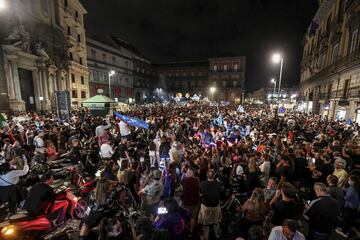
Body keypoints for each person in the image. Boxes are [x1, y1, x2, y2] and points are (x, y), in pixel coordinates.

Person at [198, 169, 222, 240]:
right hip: (215, 206)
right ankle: (217, 235)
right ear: (214, 176)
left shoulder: (202, 184)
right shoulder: (218, 184)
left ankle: (206, 237)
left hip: (205, 206)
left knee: (205, 224)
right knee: (216, 222)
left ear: (206, 176)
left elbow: (200, 193)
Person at [181, 166, 200, 235]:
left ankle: (185, 229)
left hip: (187, 202)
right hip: (195, 202)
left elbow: (181, 189)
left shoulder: (184, 180)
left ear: (190, 173)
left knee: (186, 216)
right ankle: (191, 232)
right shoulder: (197, 180)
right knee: (193, 217)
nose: (186, 173)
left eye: (187, 172)